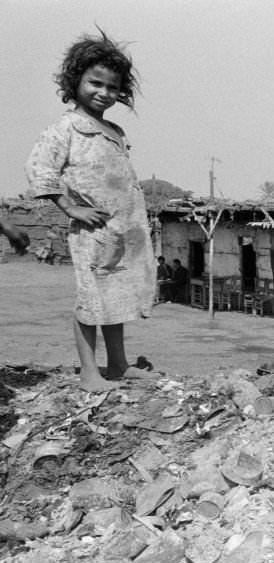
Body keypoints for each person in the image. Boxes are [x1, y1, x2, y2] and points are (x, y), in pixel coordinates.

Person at [25, 30, 156, 391]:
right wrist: (70, 208)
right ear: (75, 81)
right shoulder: (65, 129)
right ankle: (88, 373)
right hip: (93, 233)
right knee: (91, 302)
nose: (103, 93)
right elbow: (41, 170)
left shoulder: (113, 129)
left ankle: (118, 364)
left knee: (116, 299)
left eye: (112, 87)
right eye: (95, 83)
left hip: (122, 231)